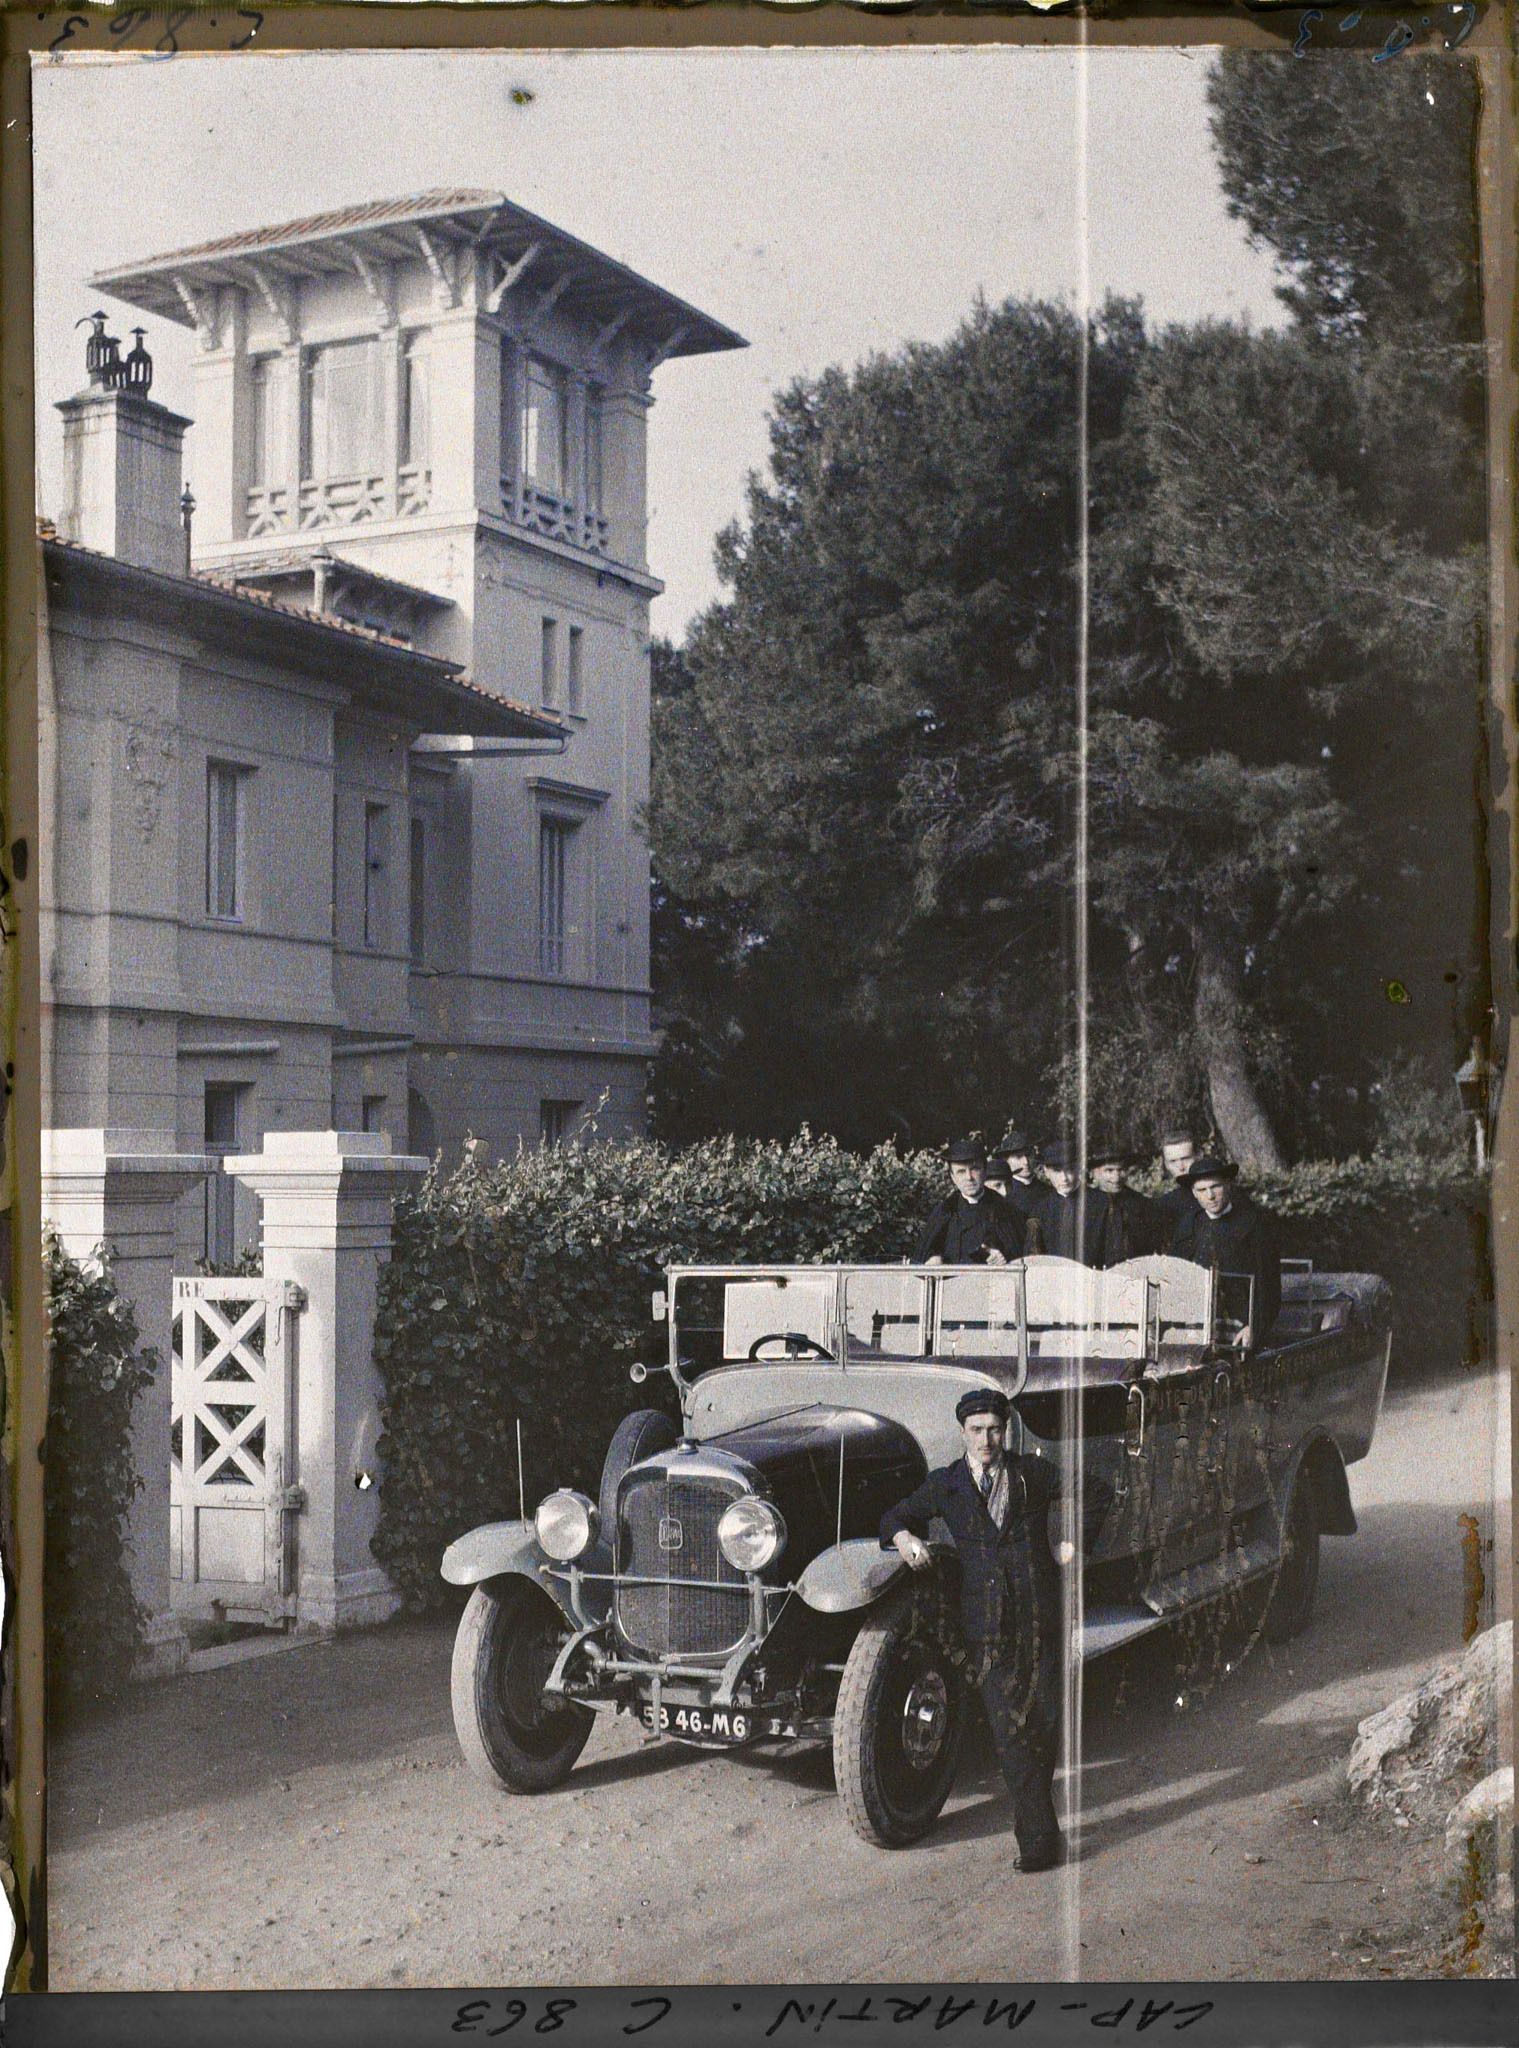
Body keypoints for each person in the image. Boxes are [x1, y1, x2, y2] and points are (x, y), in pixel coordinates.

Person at [880, 1387, 1109, 1870]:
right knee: (1010, 1731)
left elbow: (1097, 1489)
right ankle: (1040, 1842)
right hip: (984, 1629)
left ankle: (1038, 1828)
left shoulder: (1031, 1475)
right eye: (978, 1431)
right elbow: (894, 1515)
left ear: (1006, 1432)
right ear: (963, 1433)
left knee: (1044, 1722)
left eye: (995, 1430)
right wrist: (904, 1539)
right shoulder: (948, 1485)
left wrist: (1074, 1545)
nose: (987, 1440)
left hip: (1042, 1619)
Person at [1169, 1154, 1282, 1348]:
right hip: (1196, 1327)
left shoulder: (1252, 1224)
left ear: (1227, 1185)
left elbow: (1268, 1284)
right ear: (1194, 1194)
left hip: (1240, 1330)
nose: (1210, 1196)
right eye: (1202, 1190)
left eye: (1215, 1187)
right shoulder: (1189, 1226)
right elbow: (1176, 1277)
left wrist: (1253, 1327)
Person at [912, 1139, 1023, 1266]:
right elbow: (921, 1255)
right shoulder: (945, 1211)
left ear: (985, 1171)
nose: (969, 1177)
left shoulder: (1005, 1210)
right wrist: (933, 1257)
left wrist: (1005, 1258)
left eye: (974, 1169)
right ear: (953, 1177)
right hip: (952, 1284)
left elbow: (1022, 1257)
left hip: (993, 1283)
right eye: (961, 1172)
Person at [1026, 1137, 1118, 1266]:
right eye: (1057, 1171)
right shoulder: (1040, 1210)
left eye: (1070, 1170)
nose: (1064, 1178)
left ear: (1079, 1168)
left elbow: (1115, 1253)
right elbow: (1034, 1260)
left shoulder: (1103, 1203)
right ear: (1046, 1171)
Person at [1090, 1141, 1160, 1261]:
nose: (1116, 1178)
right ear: (1095, 1173)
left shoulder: (1142, 1204)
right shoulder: (1087, 1204)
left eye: (1121, 1170)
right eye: (1109, 1171)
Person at [1154, 1127, 1202, 1241]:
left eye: (1185, 1159)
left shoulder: (1226, 1193)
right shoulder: (1164, 1205)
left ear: (1198, 1156)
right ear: (1166, 1165)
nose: (1181, 1167)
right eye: (1173, 1161)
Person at [993, 1129, 1042, 1226]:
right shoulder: (1003, 1194)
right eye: (1018, 1157)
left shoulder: (1048, 1191)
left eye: (1028, 1155)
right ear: (1006, 1160)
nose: (1026, 1162)